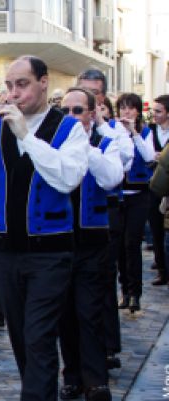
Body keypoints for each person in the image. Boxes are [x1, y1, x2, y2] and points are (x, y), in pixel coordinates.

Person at [0, 55, 89, 400]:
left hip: (50, 253)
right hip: (5, 252)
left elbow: (67, 178)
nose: (14, 93)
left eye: (22, 84)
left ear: (44, 82)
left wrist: (25, 134)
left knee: (39, 335)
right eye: (9, 86)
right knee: (22, 339)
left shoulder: (69, 129)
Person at [57, 87, 121, 401]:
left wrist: (86, 146)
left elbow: (112, 178)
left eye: (77, 111)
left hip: (93, 241)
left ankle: (96, 379)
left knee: (89, 312)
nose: (71, 117)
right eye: (65, 111)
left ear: (92, 114)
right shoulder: (53, 144)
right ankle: (71, 375)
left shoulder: (105, 143)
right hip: (58, 240)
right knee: (64, 313)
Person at [77, 68, 132, 369]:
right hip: (74, 212)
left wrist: (101, 126)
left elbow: (123, 162)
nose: (89, 97)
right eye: (83, 90)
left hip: (105, 209)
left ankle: (108, 345)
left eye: (95, 93)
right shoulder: (69, 125)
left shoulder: (114, 131)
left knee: (103, 278)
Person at [115, 92, 153, 312]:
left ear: (138, 111)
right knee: (120, 245)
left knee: (132, 243)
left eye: (130, 108)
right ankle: (124, 291)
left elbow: (148, 156)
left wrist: (134, 133)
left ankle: (135, 293)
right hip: (120, 194)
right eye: (123, 108)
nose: (126, 112)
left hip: (139, 195)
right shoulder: (113, 131)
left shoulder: (145, 131)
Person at [148, 95, 169, 285]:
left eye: (158, 111)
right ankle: (161, 268)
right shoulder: (150, 131)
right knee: (156, 230)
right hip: (153, 187)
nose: (154, 114)